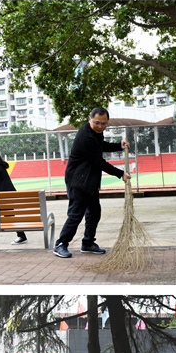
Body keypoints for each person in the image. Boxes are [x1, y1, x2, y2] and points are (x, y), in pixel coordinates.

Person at [53, 107, 131, 258]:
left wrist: (118, 145)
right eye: (97, 123)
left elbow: (101, 146)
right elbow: (98, 162)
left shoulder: (96, 133)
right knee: (76, 214)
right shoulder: (86, 137)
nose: (101, 126)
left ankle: (87, 243)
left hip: (89, 181)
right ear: (89, 119)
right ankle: (61, 244)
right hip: (78, 180)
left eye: (104, 124)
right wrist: (120, 173)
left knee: (94, 212)